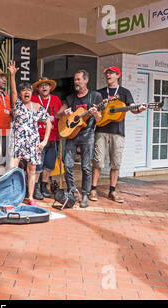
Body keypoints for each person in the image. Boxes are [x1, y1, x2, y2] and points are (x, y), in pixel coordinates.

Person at [90, 66, 146, 203]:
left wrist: (139, 109)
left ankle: (112, 191)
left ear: (117, 75)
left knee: (116, 163)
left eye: (111, 73)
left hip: (118, 132)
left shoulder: (125, 92)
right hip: (101, 130)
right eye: (107, 73)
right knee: (97, 161)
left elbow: (132, 108)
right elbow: (94, 109)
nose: (108, 75)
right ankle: (93, 189)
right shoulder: (100, 93)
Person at [56, 70, 103, 208]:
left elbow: (99, 119)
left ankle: (85, 195)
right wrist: (65, 114)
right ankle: (72, 191)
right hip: (71, 134)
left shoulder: (95, 97)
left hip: (87, 134)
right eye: (75, 80)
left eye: (78, 79)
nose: (76, 82)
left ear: (86, 80)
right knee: (68, 165)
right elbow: (58, 114)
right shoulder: (71, 98)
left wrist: (96, 114)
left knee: (86, 167)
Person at [8, 61, 52, 206]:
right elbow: (13, 91)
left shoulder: (38, 107)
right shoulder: (17, 104)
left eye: (29, 90)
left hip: (33, 141)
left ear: (32, 92)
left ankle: (31, 197)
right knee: (12, 168)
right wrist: (12, 75)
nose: (26, 92)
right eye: (24, 90)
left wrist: (44, 141)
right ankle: (12, 196)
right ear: (20, 93)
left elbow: (48, 123)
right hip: (18, 140)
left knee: (32, 170)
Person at [31, 77, 62, 200]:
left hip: (53, 137)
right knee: (38, 165)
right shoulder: (33, 99)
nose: (44, 87)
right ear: (38, 89)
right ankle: (36, 187)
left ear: (50, 88)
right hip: (38, 138)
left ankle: (44, 186)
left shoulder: (56, 99)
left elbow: (60, 116)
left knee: (48, 165)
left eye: (46, 85)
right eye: (41, 85)